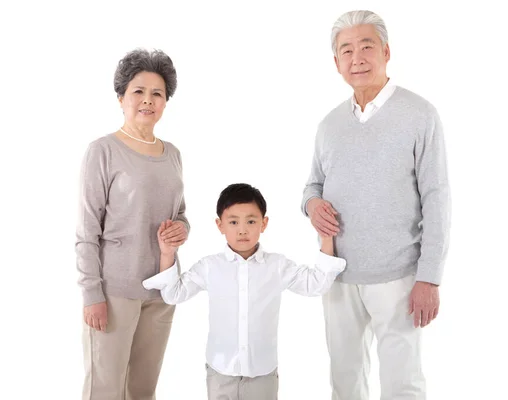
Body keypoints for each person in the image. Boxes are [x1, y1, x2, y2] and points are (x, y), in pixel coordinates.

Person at [301, 10, 451, 400]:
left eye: (367, 46)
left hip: (398, 275)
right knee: (345, 381)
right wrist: (312, 204)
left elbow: (437, 198)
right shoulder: (329, 125)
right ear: (336, 63)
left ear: (386, 51)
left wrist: (429, 277)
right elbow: (311, 185)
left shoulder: (419, 115)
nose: (357, 57)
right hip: (337, 276)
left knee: (402, 384)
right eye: (346, 50)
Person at [143, 183, 346, 400]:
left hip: (262, 373)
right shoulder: (210, 266)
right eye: (233, 222)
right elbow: (174, 294)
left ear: (263, 223)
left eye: (251, 221)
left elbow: (315, 284)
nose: (242, 229)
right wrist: (167, 254)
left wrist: (326, 238)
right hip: (220, 372)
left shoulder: (276, 266)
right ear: (220, 225)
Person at [75, 48, 190, 400]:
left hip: (162, 289)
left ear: (166, 102)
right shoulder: (103, 150)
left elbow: (180, 213)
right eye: (138, 91)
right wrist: (92, 292)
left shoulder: (172, 154)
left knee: (142, 390)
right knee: (105, 390)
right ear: (121, 97)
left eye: (157, 93)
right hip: (115, 291)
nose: (148, 100)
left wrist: (183, 229)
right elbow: (87, 230)